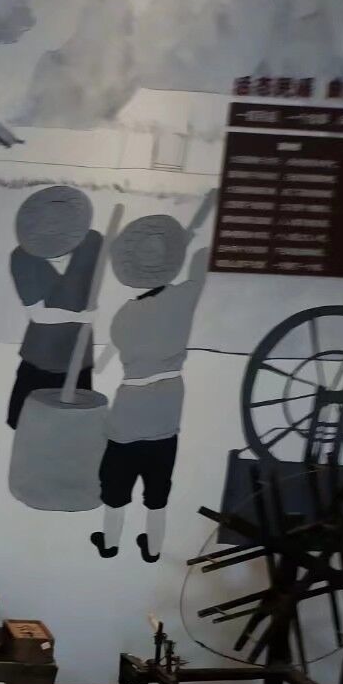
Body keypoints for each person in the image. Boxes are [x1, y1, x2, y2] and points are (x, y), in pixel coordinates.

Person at [89, 192, 216, 564]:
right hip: (167, 406)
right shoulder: (185, 298)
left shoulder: (124, 316)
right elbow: (201, 262)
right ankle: (154, 548)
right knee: (158, 485)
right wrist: (184, 247)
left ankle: (110, 542)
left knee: (116, 481)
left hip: (129, 409)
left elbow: (118, 346)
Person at [7, 184, 101, 429]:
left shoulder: (91, 244)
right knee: (29, 424)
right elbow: (37, 314)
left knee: (74, 427)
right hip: (41, 356)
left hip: (78, 355)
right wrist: (81, 318)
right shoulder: (22, 258)